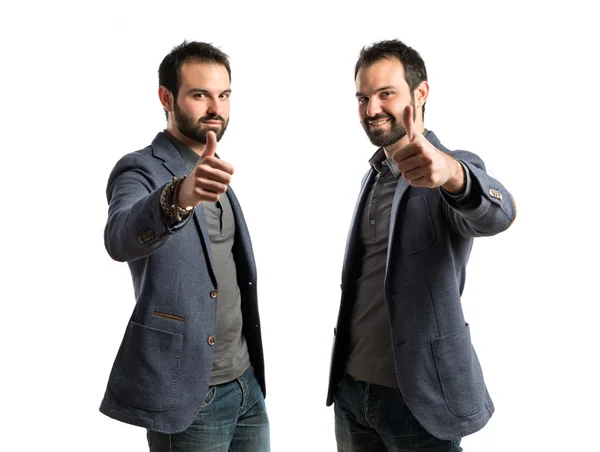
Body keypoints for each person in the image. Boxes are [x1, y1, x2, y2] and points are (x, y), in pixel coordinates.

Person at [326, 39, 517, 452]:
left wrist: (452, 174)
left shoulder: (448, 168)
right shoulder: (374, 175)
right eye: (363, 97)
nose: (372, 108)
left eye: (386, 94)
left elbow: (498, 214)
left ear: (421, 93)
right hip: (353, 395)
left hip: (419, 400)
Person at [99, 41, 270, 452]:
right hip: (190, 392)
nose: (216, 107)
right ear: (166, 97)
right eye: (200, 95)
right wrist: (179, 195)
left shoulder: (212, 168)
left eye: (223, 95)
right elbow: (120, 236)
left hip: (246, 382)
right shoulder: (140, 168)